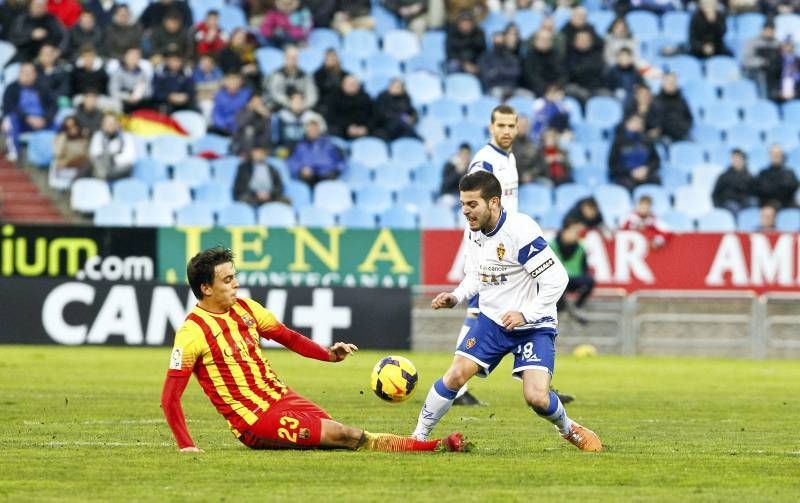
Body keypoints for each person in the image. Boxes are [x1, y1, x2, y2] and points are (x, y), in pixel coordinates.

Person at [161, 247, 470, 453]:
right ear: (205, 288)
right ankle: (435, 446)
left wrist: (328, 354)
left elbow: (289, 337)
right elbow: (170, 397)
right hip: (254, 420)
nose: (236, 285)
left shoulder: (245, 309)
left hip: (281, 397)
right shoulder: (192, 333)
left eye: (234, 277)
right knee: (344, 436)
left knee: (332, 432)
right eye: (227, 280)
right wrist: (186, 445)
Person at [410, 172, 602, 452]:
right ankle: (417, 436)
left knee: (536, 397)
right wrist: (456, 296)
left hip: (533, 326)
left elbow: (557, 279)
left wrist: (526, 314)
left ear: (494, 202)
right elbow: (476, 273)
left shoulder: (519, 231)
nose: (466, 211)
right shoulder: (473, 232)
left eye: (472, 204)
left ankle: (568, 428)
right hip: (492, 321)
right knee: (455, 375)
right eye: (463, 204)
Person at [552, 218, 593, 325]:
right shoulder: (551, 246)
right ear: (565, 231)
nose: (575, 236)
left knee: (589, 280)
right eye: (573, 232)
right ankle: (562, 309)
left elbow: (584, 269)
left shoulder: (580, 248)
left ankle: (576, 307)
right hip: (556, 280)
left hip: (573, 279)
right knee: (555, 283)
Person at [287, 114, 345, 187]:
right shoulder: (300, 146)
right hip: (308, 178)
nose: (313, 131)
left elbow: (341, 162)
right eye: (310, 129)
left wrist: (334, 172)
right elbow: (291, 162)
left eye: (315, 128)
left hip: (327, 177)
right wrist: (301, 169)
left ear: (319, 130)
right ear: (306, 130)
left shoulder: (329, 145)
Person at [609, 114, 661, 191]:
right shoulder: (618, 142)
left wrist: (646, 169)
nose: (637, 125)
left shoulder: (647, 141)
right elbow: (613, 165)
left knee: (655, 182)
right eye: (634, 122)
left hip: (644, 175)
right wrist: (631, 172)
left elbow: (656, 161)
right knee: (628, 186)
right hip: (625, 176)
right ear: (627, 124)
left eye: (640, 123)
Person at [88, 112, 136, 181]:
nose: (110, 125)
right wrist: (107, 158)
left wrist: (112, 159)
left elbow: (130, 158)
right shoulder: (98, 136)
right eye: (107, 123)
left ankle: (104, 176)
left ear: (117, 124)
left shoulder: (127, 137)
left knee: (128, 167)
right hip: (103, 166)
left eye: (112, 123)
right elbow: (94, 153)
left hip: (120, 167)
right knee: (91, 164)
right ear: (102, 125)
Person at [712, 148, 757, 213]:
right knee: (733, 206)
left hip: (744, 202)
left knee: (753, 203)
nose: (736, 160)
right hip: (728, 203)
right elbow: (715, 195)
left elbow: (754, 193)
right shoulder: (724, 176)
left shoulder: (750, 176)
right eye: (734, 158)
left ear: (744, 160)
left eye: (738, 158)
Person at [754, 144, 799, 209]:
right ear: (769, 155)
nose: (776, 155)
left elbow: (792, 188)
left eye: (778, 153)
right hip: (767, 205)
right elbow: (761, 190)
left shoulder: (790, 173)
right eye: (774, 153)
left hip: (786, 205)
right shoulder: (763, 173)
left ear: (782, 155)